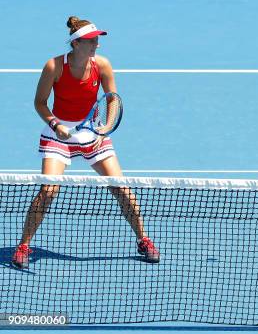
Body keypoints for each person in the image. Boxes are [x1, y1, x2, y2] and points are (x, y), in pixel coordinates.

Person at [12, 16, 160, 268]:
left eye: (97, 40)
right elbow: (40, 102)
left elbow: (112, 99)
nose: (97, 45)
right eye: (92, 41)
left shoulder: (102, 65)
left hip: (93, 133)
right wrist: (55, 125)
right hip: (58, 135)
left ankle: (143, 239)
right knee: (48, 191)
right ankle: (24, 245)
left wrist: (104, 127)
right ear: (77, 43)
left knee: (122, 189)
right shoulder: (54, 66)